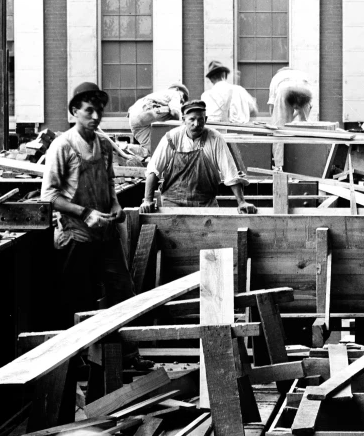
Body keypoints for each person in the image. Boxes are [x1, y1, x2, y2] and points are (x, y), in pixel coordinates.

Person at [41, 82, 154, 369]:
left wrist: (115, 206)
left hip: (106, 233)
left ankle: (126, 357)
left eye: (99, 111)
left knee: (122, 291)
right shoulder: (62, 146)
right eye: (89, 111)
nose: (95, 117)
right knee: (78, 298)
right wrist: (84, 212)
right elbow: (49, 196)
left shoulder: (103, 145)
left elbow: (110, 185)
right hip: (76, 234)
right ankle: (77, 362)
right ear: (74, 112)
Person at [140, 100, 257, 213]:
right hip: (172, 203)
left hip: (206, 203)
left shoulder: (215, 138)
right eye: (192, 119)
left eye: (201, 119)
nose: (196, 124)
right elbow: (153, 170)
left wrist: (241, 202)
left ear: (205, 119)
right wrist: (147, 200)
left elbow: (230, 173)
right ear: (183, 120)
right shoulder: (172, 138)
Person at [268, 67, 314, 170]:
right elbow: (309, 105)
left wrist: (275, 122)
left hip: (285, 89)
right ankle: (306, 163)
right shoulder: (301, 73)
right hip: (305, 88)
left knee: (278, 130)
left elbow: (272, 105)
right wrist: (302, 116)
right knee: (304, 125)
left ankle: (278, 165)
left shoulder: (276, 77)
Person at [127, 83, 190, 156]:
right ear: (177, 89)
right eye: (184, 98)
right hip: (147, 112)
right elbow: (174, 113)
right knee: (177, 115)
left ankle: (123, 147)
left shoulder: (157, 95)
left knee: (153, 149)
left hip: (133, 119)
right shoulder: (175, 93)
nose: (182, 101)